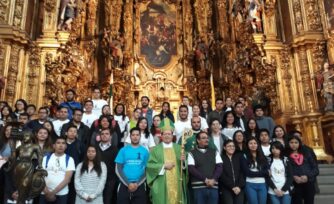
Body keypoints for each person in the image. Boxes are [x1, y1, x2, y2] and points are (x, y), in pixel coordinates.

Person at [146, 120, 187, 204]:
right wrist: (163, 166)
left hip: (177, 183)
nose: (167, 136)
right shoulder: (155, 150)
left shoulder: (179, 148)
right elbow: (150, 166)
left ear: (172, 136)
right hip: (161, 183)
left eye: (169, 134)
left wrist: (183, 162)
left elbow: (184, 168)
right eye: (165, 134)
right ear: (161, 136)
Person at [115, 127, 149, 204]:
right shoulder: (123, 150)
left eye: (137, 135)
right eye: (133, 135)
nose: (135, 137)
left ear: (140, 136)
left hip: (139, 185)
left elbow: (147, 169)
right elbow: (118, 168)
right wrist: (128, 183)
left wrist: (137, 184)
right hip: (124, 184)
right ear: (130, 136)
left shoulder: (145, 151)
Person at [188, 131, 223, 204]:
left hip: (213, 186)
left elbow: (219, 167)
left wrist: (213, 179)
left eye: (207, 138)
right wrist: (205, 180)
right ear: (198, 140)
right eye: (203, 138)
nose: (206, 140)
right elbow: (191, 169)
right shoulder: (192, 153)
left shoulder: (214, 152)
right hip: (198, 187)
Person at [40, 136, 76, 204]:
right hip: (44, 192)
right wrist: (47, 192)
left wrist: (53, 193)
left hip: (61, 194)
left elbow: (67, 179)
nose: (61, 145)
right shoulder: (46, 158)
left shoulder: (69, 159)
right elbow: (40, 176)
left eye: (63, 143)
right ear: (54, 146)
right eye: (58, 143)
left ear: (66, 146)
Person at [287, 135, 319, 204]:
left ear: (299, 143)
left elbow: (315, 169)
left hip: (308, 182)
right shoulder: (285, 155)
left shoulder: (306, 153)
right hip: (295, 184)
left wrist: (307, 176)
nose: (294, 145)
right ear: (288, 143)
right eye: (291, 142)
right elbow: (284, 171)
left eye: (296, 142)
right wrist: (293, 177)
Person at [241, 137, 269, 204]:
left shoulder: (262, 156)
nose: (253, 145)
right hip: (250, 184)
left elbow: (267, 170)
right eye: (250, 143)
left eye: (255, 143)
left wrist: (264, 173)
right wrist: (263, 173)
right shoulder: (244, 156)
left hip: (262, 184)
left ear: (257, 144)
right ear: (247, 145)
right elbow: (248, 173)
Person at [96, 128, 118, 204]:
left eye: (107, 134)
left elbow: (117, 166)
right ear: (100, 136)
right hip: (96, 178)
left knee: (107, 200)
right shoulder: (94, 148)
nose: (104, 135)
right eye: (102, 134)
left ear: (110, 136)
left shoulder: (115, 149)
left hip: (110, 179)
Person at [220, 140, 245, 204]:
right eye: (229, 146)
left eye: (233, 146)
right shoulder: (220, 158)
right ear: (224, 148)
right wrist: (232, 187)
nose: (231, 148)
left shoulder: (239, 157)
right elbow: (221, 174)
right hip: (226, 188)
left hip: (239, 188)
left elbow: (243, 172)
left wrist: (239, 186)